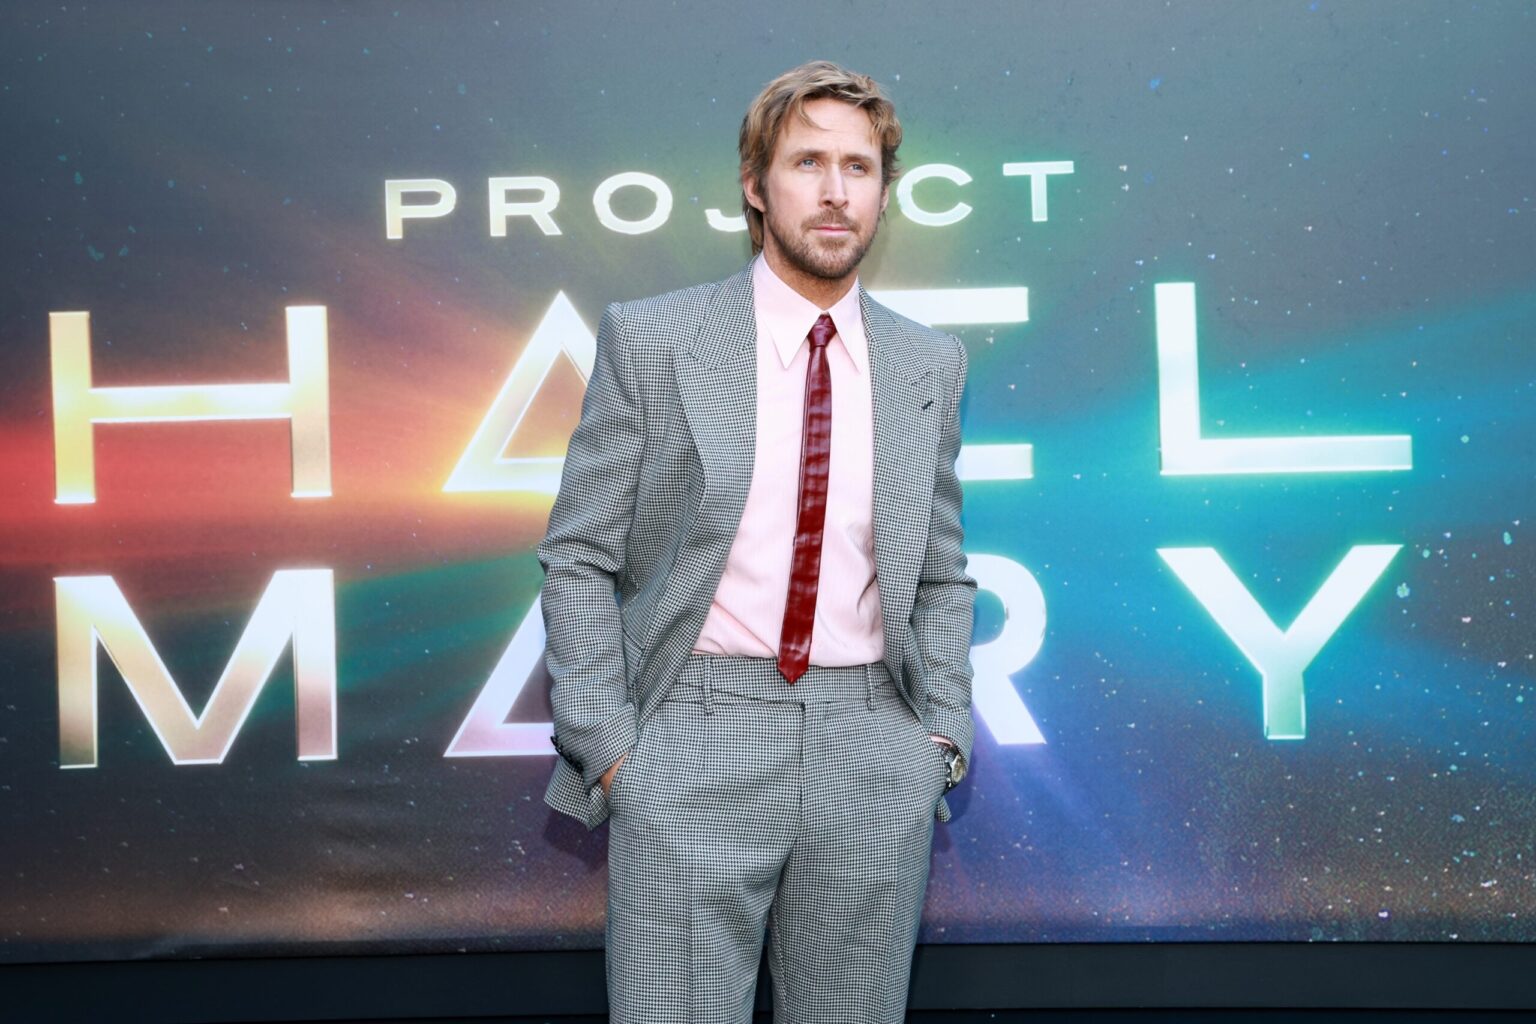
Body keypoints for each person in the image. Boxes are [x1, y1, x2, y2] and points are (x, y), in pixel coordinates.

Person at [538, 60, 975, 1024]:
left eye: (858, 167)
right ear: (754, 184)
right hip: (692, 732)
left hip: (873, 743)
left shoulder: (928, 363)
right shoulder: (655, 340)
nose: (833, 191)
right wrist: (612, 748)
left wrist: (936, 738)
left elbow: (940, 570)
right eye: (807, 161)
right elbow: (578, 555)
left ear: (882, 191)